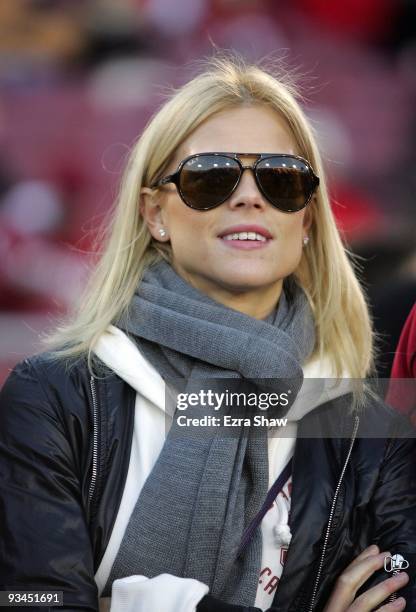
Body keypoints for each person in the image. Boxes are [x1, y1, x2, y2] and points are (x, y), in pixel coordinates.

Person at [0, 55, 415, 612]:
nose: (250, 197)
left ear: (308, 219)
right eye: (211, 177)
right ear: (155, 214)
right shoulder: (53, 395)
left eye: (282, 179)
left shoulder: (368, 430)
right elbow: (35, 601)